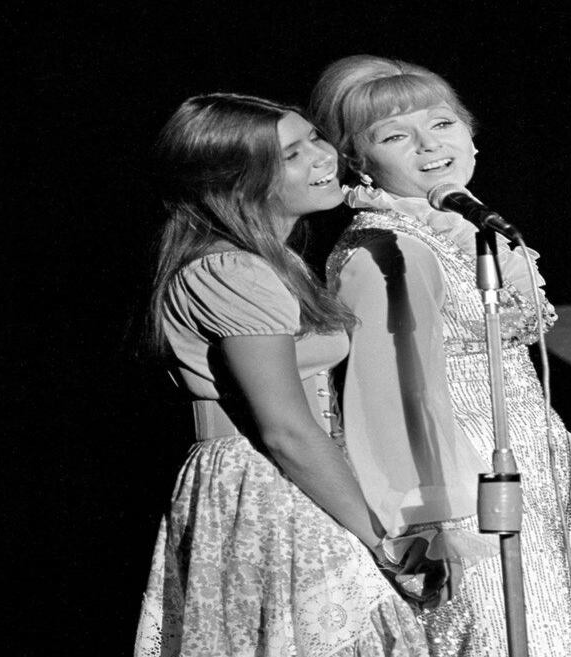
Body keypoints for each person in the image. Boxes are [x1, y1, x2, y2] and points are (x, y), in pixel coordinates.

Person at [309, 55, 571, 656]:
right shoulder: (387, 248)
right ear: (356, 159)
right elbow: (388, 403)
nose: (430, 147)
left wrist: (564, 496)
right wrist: (427, 529)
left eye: (442, 124)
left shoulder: (471, 232)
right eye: (395, 136)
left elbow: (514, 385)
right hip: (458, 506)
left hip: (525, 484)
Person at [133, 93, 429, 657]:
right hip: (272, 482)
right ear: (239, 180)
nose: (324, 157)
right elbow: (286, 430)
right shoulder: (231, 270)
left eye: (315, 138)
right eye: (293, 153)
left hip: (305, 474)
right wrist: (381, 543)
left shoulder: (273, 263)